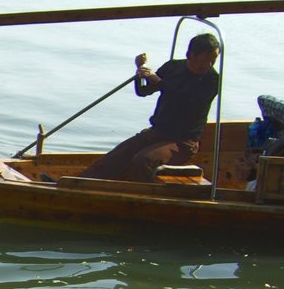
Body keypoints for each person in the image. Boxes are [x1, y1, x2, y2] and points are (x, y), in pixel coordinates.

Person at [79, 33, 221, 182]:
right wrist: (140, 71)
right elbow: (143, 91)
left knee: (143, 161)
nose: (210, 64)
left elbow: (187, 100)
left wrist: (158, 81)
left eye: (214, 59)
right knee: (117, 156)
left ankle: (138, 200)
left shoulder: (211, 80)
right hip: (158, 132)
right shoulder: (173, 67)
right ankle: (76, 185)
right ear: (191, 55)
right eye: (206, 59)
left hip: (183, 142)